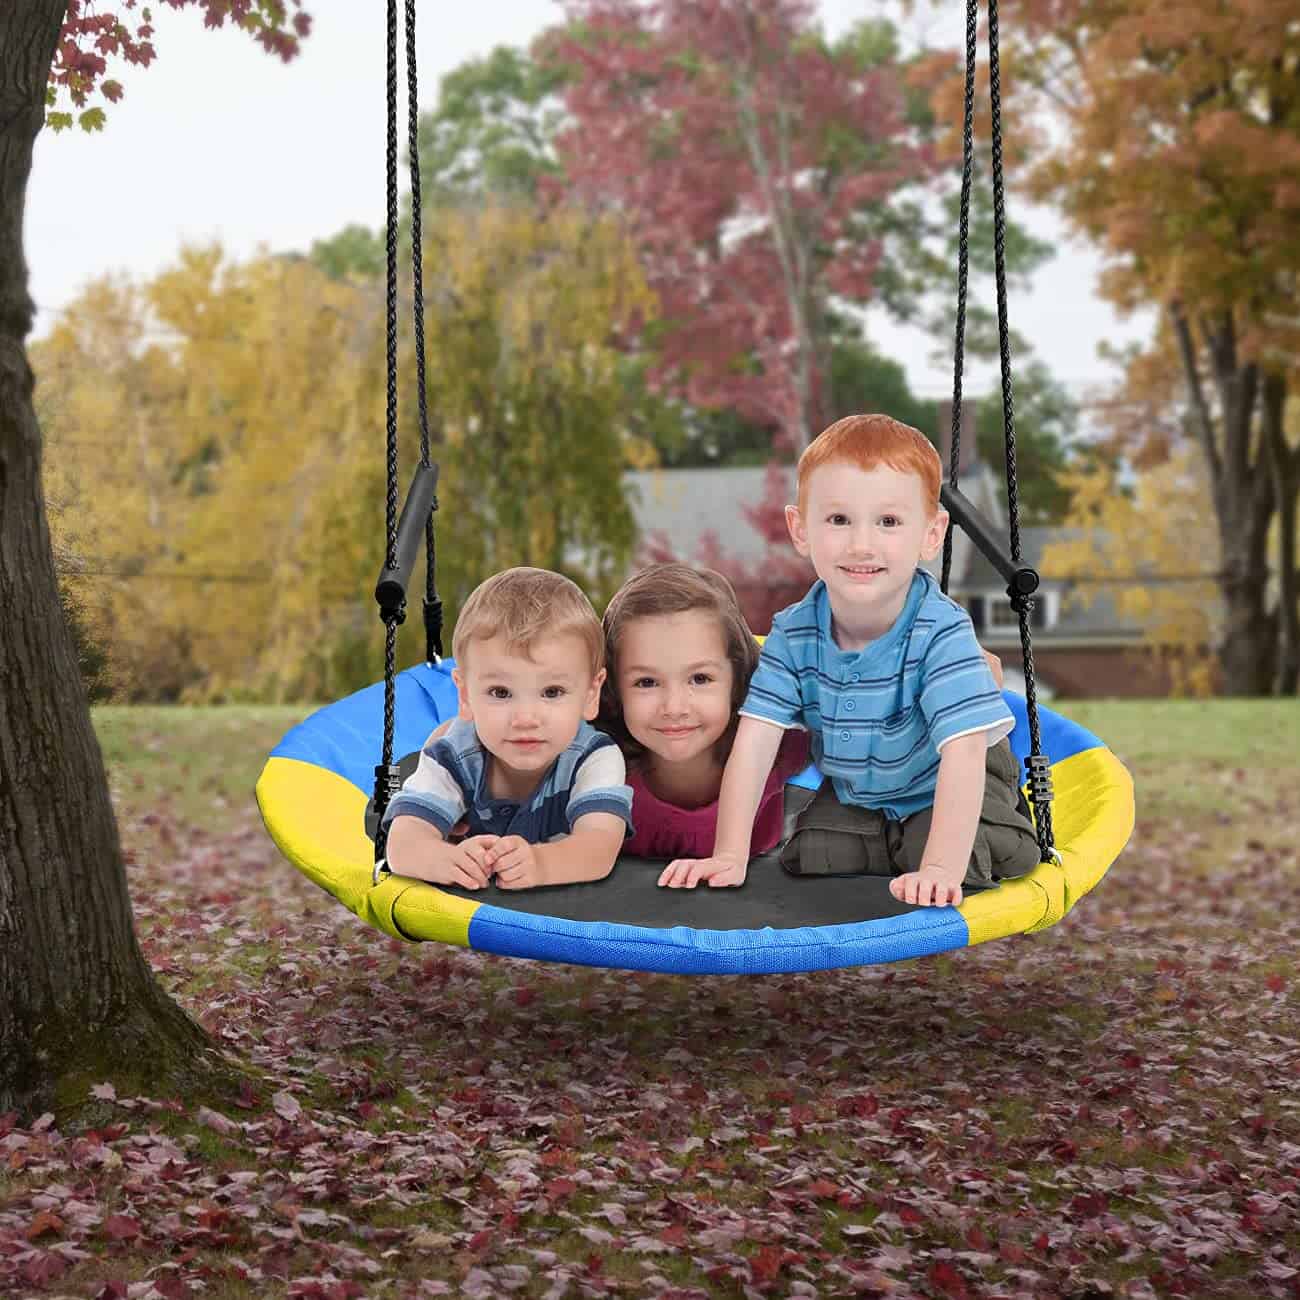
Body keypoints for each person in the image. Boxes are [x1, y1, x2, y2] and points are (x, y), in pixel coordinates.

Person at [659, 413, 1040, 906]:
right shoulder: (794, 633)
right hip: (865, 793)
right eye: (839, 520)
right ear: (800, 529)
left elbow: (963, 756)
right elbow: (754, 744)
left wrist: (939, 868)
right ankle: (894, 837)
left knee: (948, 860)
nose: (862, 544)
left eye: (888, 522)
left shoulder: (941, 632)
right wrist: (728, 854)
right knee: (809, 854)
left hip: (953, 776)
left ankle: (987, 832)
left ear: (931, 533)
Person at [380, 567, 633, 891]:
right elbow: (403, 844)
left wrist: (541, 864)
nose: (525, 718)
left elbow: (599, 846)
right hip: (443, 759)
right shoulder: (455, 756)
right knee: (431, 753)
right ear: (465, 694)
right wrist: (443, 859)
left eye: (552, 692)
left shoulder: (595, 757)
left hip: (550, 880)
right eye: (501, 693)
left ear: (591, 694)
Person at [596, 563, 812, 861]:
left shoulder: (777, 740)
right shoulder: (594, 762)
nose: (674, 708)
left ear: (737, 679)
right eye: (646, 682)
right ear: (613, 688)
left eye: (700, 679)